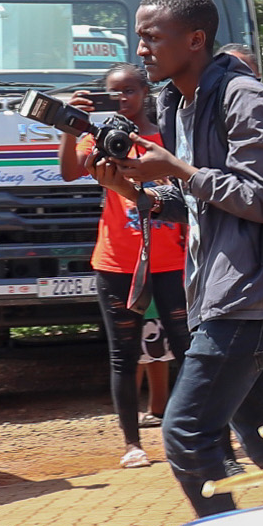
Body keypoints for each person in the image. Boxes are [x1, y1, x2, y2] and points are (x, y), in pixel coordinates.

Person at [116, 0, 263, 518]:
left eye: (153, 38)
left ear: (195, 39)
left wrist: (175, 168)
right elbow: (194, 202)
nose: (142, 50)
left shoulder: (243, 97)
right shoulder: (180, 99)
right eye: (140, 39)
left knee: (185, 434)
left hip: (248, 296)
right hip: (220, 296)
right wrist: (131, 188)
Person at [58, 64, 187, 468]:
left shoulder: (168, 134)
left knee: (189, 349)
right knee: (123, 354)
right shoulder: (99, 137)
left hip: (174, 260)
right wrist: (69, 128)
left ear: (146, 92)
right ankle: (132, 444)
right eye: (113, 94)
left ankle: (198, 433)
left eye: (129, 91)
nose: (122, 100)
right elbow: (67, 172)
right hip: (117, 261)